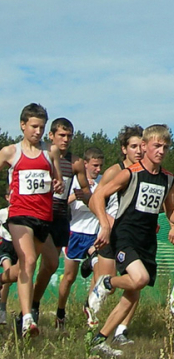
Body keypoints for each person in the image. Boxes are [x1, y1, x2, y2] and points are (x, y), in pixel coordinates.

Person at [87, 124, 174, 356]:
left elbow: (171, 209)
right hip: (124, 236)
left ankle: (98, 339)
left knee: (132, 295)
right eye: (157, 145)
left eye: (165, 147)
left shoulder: (167, 180)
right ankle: (107, 283)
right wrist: (105, 224)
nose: (161, 151)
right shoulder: (130, 173)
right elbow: (98, 196)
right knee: (140, 279)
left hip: (148, 241)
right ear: (144, 146)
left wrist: (173, 225)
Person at [0, 103, 63, 338]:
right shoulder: (11, 152)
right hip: (19, 215)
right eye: (34, 126)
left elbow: (58, 181)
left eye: (42, 127)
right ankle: (27, 318)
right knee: (28, 262)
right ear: (23, 125)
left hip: (43, 217)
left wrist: (58, 183)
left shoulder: (51, 152)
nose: (38, 131)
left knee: (38, 264)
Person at [85, 125, 143, 344]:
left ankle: (121, 331)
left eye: (141, 146)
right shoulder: (114, 171)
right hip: (111, 234)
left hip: (132, 235)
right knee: (106, 284)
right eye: (133, 146)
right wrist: (105, 222)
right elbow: (94, 200)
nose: (138, 151)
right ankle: (90, 320)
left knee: (136, 283)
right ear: (124, 148)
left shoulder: (146, 171)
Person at [32, 118, 91, 323]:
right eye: (61, 135)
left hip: (59, 219)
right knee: (29, 264)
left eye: (69, 136)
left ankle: (33, 305)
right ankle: (27, 308)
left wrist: (86, 194)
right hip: (37, 216)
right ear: (51, 136)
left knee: (49, 266)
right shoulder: (42, 156)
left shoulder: (75, 163)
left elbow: (85, 190)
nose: (66, 140)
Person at [55, 147, 104, 329]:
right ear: (85, 164)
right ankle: (60, 311)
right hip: (74, 233)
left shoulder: (102, 181)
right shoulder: (74, 180)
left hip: (94, 234)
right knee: (69, 277)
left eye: (100, 166)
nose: (98, 169)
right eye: (95, 166)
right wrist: (76, 196)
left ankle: (89, 307)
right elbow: (61, 203)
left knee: (100, 272)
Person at [0, 188, 17, 325]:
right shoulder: (2, 213)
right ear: (7, 197)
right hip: (5, 246)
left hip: (18, 248)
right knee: (8, 273)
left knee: (11, 279)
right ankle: (2, 309)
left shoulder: (21, 213)